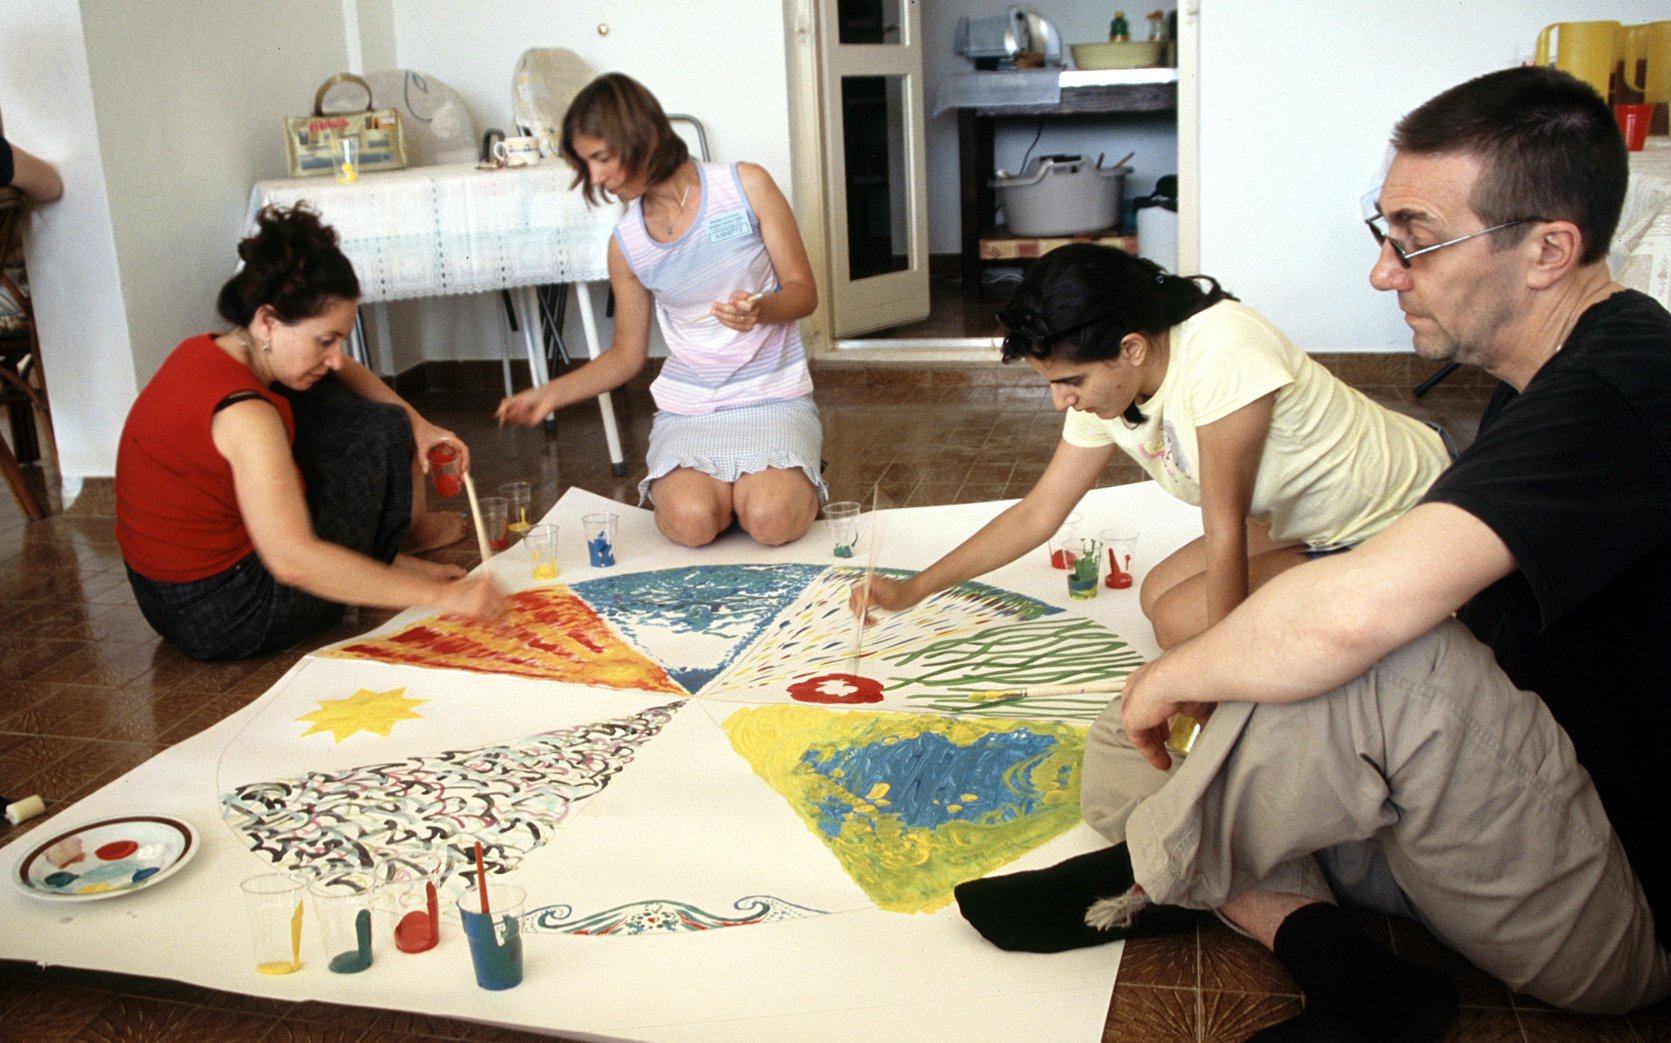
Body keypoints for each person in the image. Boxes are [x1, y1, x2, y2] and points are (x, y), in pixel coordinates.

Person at [958, 65, 1669, 1043]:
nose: (1384, 273)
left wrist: (1185, 673)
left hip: (1614, 900)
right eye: (1383, 237)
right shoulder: (1536, 382)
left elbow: (1358, 613)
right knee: (1131, 755)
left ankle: (1164, 871)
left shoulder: (1621, 390)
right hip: (1499, 809)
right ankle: (1334, 958)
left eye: (1414, 244)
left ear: (1549, 248)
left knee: (1367, 643)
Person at [850, 244, 1450, 648]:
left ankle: (1352, 583)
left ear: (1132, 348)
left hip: (1408, 512)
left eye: (1070, 382)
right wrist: (912, 589)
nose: (1062, 401)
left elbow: (1224, 526)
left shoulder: (1221, 348)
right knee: (1159, 595)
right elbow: (1040, 512)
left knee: (1178, 625)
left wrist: (1220, 680)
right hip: (1307, 515)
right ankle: (1312, 575)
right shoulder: (1110, 387)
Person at [116, 205, 505, 660]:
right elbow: (292, 561)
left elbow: (347, 372)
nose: (338, 356)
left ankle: (375, 562)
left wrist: (418, 425)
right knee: (374, 437)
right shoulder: (247, 416)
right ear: (267, 321)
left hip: (158, 596)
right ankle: (374, 567)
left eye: (341, 339)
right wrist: (446, 598)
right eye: (325, 340)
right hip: (227, 615)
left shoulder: (212, 350)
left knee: (376, 414)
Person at [495, 73, 822, 548]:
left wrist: (761, 309)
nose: (596, 178)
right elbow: (627, 356)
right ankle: (729, 494)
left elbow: (804, 293)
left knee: (772, 520)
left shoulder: (746, 185)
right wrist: (550, 395)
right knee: (691, 523)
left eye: (602, 158)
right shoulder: (627, 246)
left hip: (771, 396)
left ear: (642, 136)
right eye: (587, 164)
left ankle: (768, 489)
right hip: (689, 409)